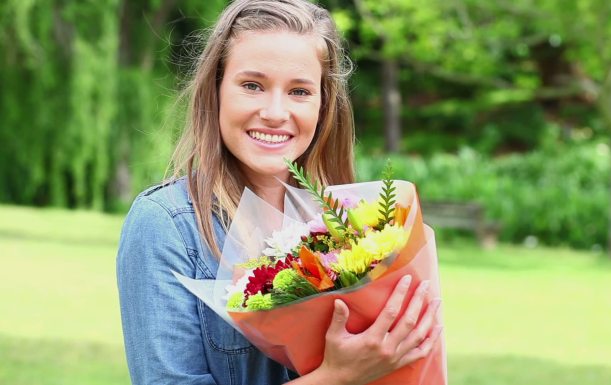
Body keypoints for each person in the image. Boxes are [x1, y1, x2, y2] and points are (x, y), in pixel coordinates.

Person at [116, 0, 442, 384]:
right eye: (252, 85)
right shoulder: (166, 224)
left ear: (324, 105)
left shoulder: (351, 223)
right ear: (216, 90)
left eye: (299, 91)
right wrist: (336, 377)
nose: (274, 112)